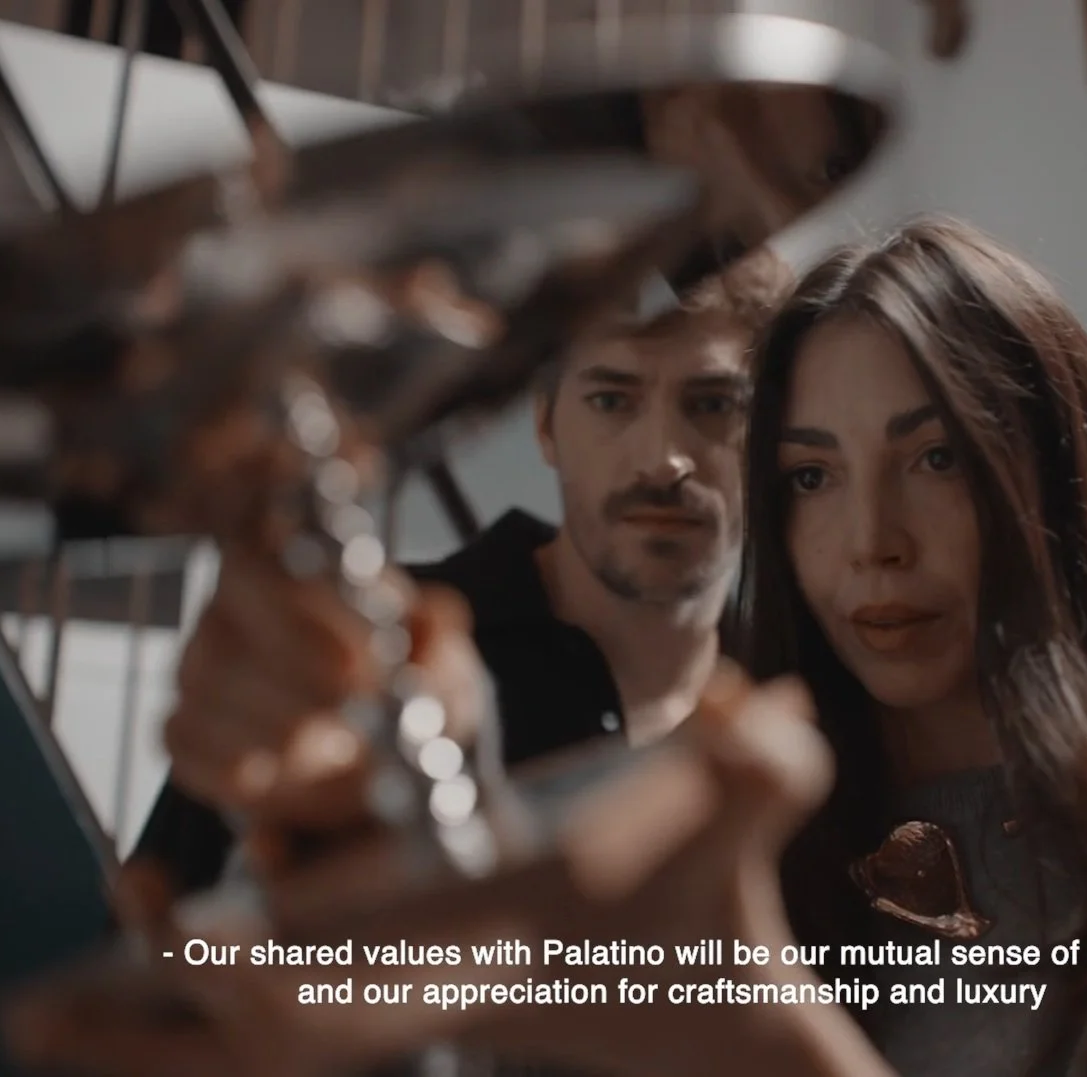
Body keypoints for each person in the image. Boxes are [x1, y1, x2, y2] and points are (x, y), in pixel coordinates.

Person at [6, 217, 1087, 1077]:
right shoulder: (746, 857)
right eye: (810, 474)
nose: (869, 540)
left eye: (932, 459)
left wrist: (751, 1036)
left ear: (1048, 473)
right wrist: (328, 896)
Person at [128, 250, 794, 897]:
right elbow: (166, 944)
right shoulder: (367, 650)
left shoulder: (796, 687)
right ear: (545, 425)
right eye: (611, 400)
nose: (661, 460)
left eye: (714, 405)